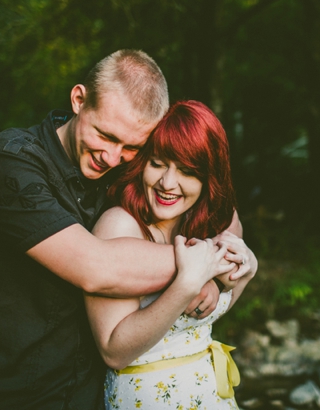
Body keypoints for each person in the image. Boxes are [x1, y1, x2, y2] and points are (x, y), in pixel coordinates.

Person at [0, 50, 256, 410]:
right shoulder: (11, 163)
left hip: (84, 397)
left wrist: (215, 274)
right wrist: (203, 265)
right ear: (78, 100)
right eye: (105, 136)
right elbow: (97, 268)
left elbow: (218, 208)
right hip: (6, 395)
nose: (112, 156)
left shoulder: (124, 169)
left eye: (132, 147)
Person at [85, 100, 257, 410]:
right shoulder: (121, 225)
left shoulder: (218, 220)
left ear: (209, 178)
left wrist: (243, 273)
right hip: (145, 398)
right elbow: (114, 351)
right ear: (142, 162)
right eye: (158, 162)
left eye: (188, 171)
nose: (167, 183)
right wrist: (185, 285)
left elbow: (210, 310)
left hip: (211, 393)